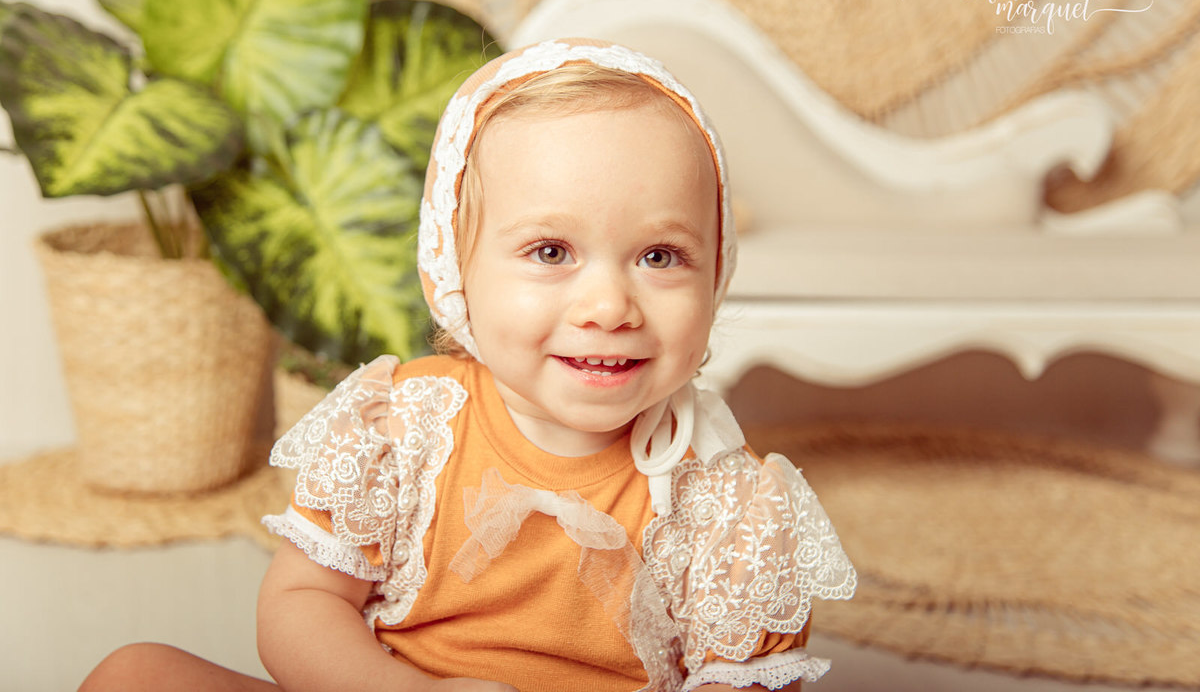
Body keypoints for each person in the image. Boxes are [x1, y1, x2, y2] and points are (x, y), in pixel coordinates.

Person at [80, 38, 856, 692]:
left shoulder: (725, 505)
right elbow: (302, 602)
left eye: (660, 255)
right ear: (453, 273)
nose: (609, 304)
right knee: (135, 673)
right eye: (551, 251)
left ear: (714, 274)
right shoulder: (407, 427)